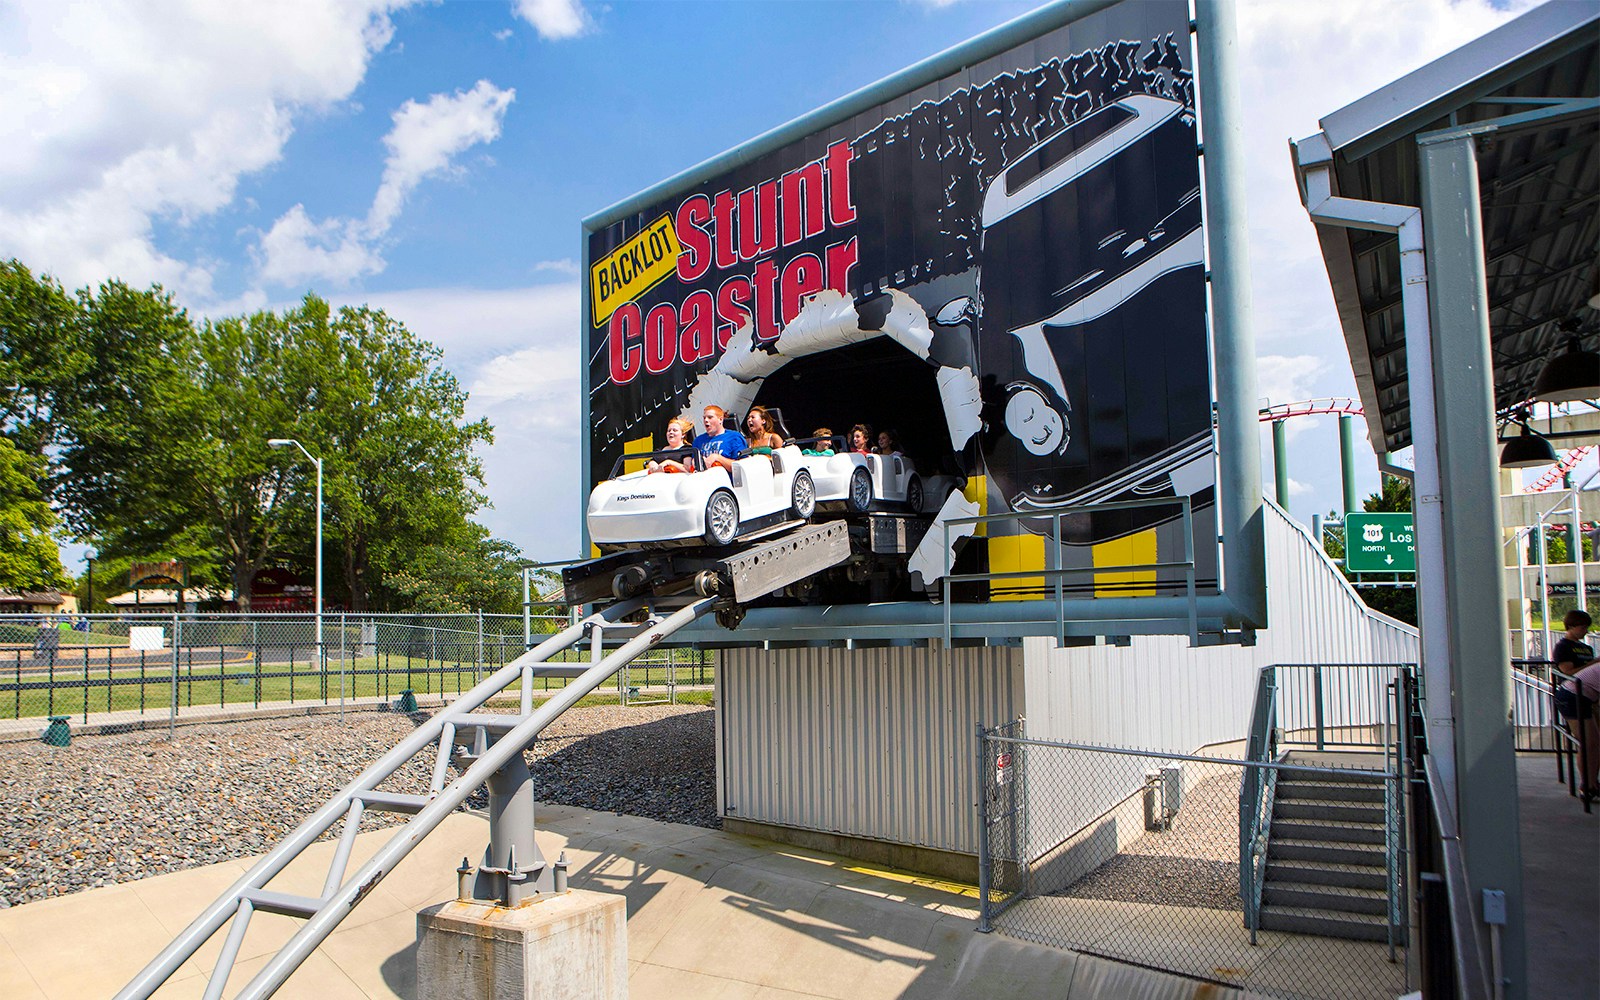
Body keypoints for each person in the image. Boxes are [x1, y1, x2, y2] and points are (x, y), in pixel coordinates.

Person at [1555, 659, 1600, 799]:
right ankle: (1588, 786)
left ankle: (1591, 784)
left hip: (1578, 697)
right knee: (1589, 743)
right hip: (1573, 697)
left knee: (1593, 743)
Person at [693, 404, 748, 472]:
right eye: (704, 418)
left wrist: (718, 458)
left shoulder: (734, 437)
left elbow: (742, 466)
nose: (706, 420)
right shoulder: (698, 440)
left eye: (710, 417)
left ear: (720, 419)